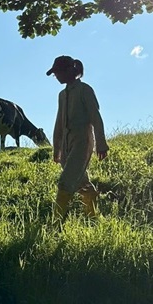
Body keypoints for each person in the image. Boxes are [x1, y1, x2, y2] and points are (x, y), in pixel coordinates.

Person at [47, 55, 109, 219]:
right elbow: (59, 122)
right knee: (81, 182)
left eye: (58, 72)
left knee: (65, 182)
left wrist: (101, 144)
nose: (57, 76)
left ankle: (56, 223)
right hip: (67, 143)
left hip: (83, 141)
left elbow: (96, 118)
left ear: (69, 70)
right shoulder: (62, 95)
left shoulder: (84, 90)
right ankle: (94, 216)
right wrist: (57, 148)